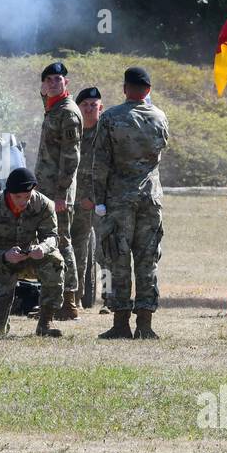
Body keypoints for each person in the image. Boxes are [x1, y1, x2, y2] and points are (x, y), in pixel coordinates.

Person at [91, 67, 169, 340]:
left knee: (117, 260)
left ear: (125, 88)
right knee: (147, 260)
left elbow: (100, 163)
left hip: (119, 200)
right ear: (147, 90)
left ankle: (121, 322)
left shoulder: (111, 118)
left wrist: (99, 199)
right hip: (150, 198)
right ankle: (145, 324)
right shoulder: (159, 117)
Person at [0, 167, 64, 337]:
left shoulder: (44, 205)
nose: (23, 202)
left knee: (54, 261)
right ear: (8, 193)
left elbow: (52, 237)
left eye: (27, 197)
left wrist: (42, 248)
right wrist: (4, 256)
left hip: (29, 259)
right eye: (17, 197)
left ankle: (45, 323)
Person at [35, 61, 83, 320]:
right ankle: (52, 301)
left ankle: (69, 302)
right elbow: (44, 97)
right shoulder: (53, 108)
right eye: (49, 79)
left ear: (66, 83)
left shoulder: (68, 113)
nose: (53, 83)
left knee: (62, 242)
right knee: (50, 241)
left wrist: (61, 193)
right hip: (46, 191)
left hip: (58, 193)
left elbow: (71, 157)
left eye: (58, 79)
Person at [72, 87, 104, 311]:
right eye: (85, 105)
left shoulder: (107, 132)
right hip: (77, 203)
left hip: (103, 202)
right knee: (78, 250)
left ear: (100, 107)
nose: (90, 108)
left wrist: (94, 198)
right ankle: (77, 296)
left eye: (94, 105)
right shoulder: (73, 131)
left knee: (108, 252)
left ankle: (111, 299)